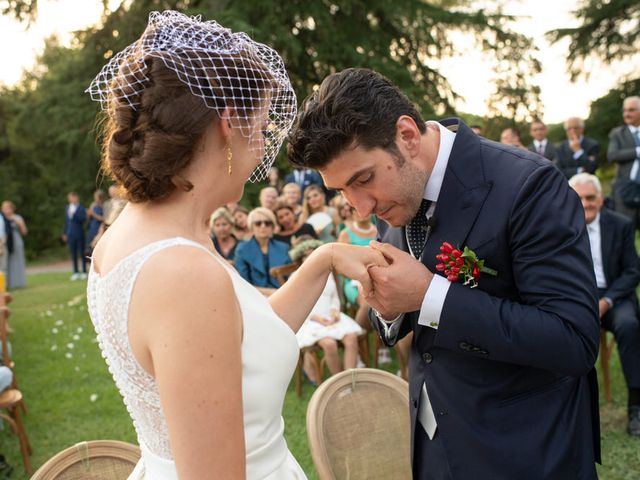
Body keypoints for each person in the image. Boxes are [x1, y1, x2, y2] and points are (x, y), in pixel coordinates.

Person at [86, 12, 384, 480]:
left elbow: (245, 344)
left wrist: (324, 259)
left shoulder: (135, 236)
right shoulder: (184, 272)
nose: (262, 151)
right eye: (262, 129)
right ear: (229, 124)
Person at [287, 67, 600, 479]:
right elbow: (406, 318)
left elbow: (573, 340)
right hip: (432, 443)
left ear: (407, 136)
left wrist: (430, 296)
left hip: (524, 447)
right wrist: (388, 304)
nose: (360, 208)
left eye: (363, 179)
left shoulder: (529, 186)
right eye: (343, 191)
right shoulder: (390, 193)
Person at [570, 173, 640, 437]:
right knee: (559, 329)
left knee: (629, 325)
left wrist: (606, 301)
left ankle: (636, 407)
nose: (586, 204)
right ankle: (573, 411)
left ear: (601, 199)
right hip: (577, 295)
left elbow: (633, 271)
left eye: (591, 198)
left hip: (613, 294)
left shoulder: (621, 224)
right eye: (580, 198)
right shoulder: (561, 225)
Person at [290, 237, 363, 384]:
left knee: (351, 338)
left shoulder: (327, 274)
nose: (310, 257)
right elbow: (296, 305)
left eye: (313, 253)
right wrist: (317, 318)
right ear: (300, 259)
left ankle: (350, 379)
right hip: (310, 319)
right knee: (329, 344)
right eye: (306, 255)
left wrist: (335, 311)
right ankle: (338, 382)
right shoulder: (295, 278)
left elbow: (334, 297)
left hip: (330, 315)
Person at [234, 207, 291, 295]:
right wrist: (269, 292)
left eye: (267, 223)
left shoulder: (283, 248)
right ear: (251, 227)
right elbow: (243, 284)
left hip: (283, 296)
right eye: (258, 223)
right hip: (254, 297)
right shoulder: (242, 250)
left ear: (272, 227)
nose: (263, 226)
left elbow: (290, 279)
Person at [608, 96, 640, 230]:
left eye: (631, 110)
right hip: (626, 191)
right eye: (625, 110)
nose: (627, 114)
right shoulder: (617, 133)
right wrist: (637, 151)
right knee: (625, 233)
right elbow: (612, 155)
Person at [1, 201, 27, 289]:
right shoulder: (2, 219)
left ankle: (18, 283)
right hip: (6, 242)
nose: (6, 210)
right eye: (4, 208)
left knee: (17, 262)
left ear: (12, 208)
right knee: (6, 264)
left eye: (8, 208)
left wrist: (18, 222)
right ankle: (7, 285)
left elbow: (24, 231)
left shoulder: (17, 217)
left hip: (17, 241)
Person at [63, 192, 87, 281]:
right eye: (70, 198)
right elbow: (66, 221)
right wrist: (65, 233)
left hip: (79, 233)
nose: (71, 199)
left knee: (82, 253)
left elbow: (83, 219)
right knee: (73, 253)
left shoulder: (81, 208)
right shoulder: (67, 208)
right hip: (71, 234)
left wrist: (75, 214)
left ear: (76, 198)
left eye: (73, 197)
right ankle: (76, 272)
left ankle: (84, 271)